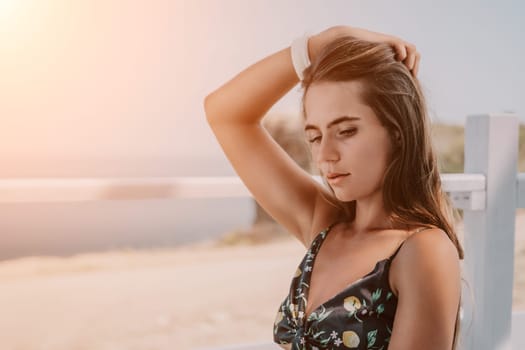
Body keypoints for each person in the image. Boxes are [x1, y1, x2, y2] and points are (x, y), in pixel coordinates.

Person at [203, 25, 464, 350]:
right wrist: (314, 46)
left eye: (346, 131)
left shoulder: (423, 251)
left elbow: (226, 115)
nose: (325, 155)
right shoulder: (325, 225)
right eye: (314, 136)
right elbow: (224, 114)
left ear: (397, 132)